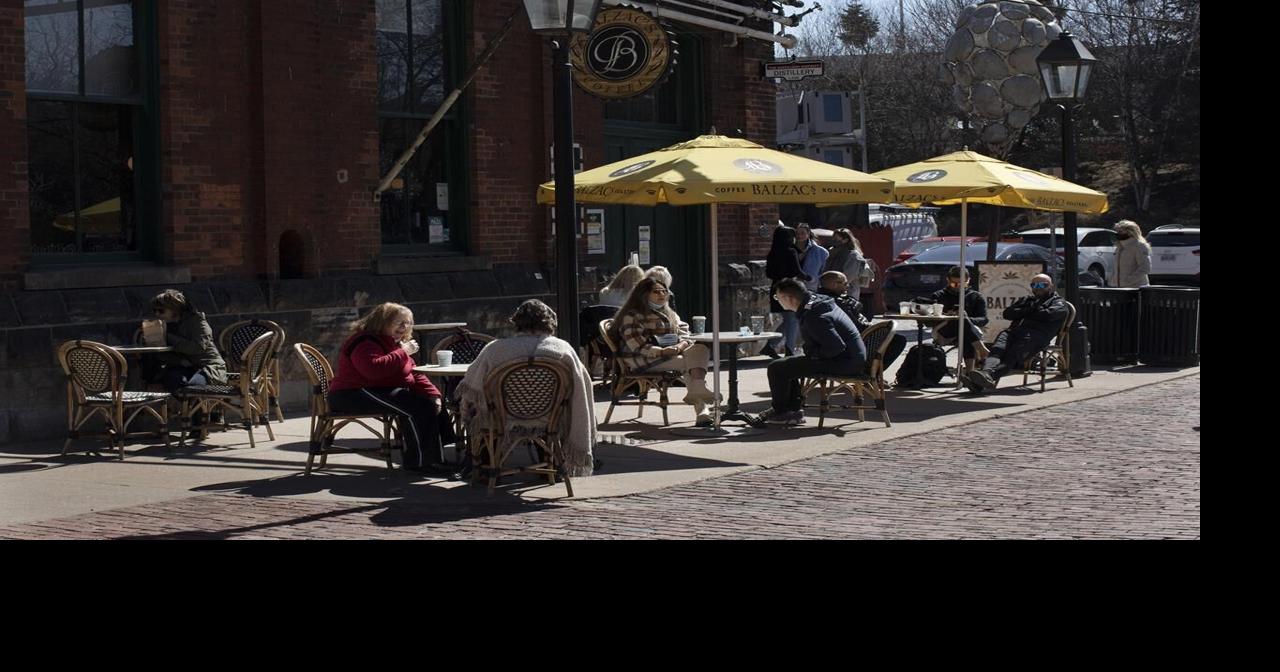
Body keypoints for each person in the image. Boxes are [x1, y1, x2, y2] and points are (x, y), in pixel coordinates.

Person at [455, 300, 596, 477]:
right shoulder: (563, 349)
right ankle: (549, 468)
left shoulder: (495, 350)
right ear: (550, 322)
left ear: (517, 322)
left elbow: (472, 384)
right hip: (548, 417)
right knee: (552, 409)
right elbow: (582, 384)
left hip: (503, 418)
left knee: (479, 413)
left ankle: (487, 469)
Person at [327, 302, 455, 476]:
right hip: (351, 394)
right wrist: (403, 352)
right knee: (417, 407)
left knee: (429, 402)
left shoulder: (394, 343)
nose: (404, 327)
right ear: (382, 322)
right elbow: (373, 370)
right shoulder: (365, 341)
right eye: (399, 322)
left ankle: (435, 457)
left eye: (407, 323)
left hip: (376, 389)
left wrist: (433, 394)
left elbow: (413, 372)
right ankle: (421, 463)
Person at [751, 278, 867, 427]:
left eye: (777, 297)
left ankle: (782, 412)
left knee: (776, 368)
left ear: (789, 298)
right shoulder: (817, 301)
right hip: (851, 357)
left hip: (844, 362)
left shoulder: (814, 315)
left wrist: (812, 353)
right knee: (788, 364)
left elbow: (835, 348)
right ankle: (792, 410)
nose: (777, 301)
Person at [612, 277, 718, 426]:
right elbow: (636, 345)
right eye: (656, 291)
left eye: (664, 291)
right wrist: (662, 352)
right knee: (688, 363)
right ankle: (702, 409)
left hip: (672, 353)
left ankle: (698, 389)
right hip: (642, 358)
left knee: (700, 349)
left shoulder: (669, 313)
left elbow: (685, 333)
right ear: (644, 294)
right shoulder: (632, 316)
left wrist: (680, 346)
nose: (662, 295)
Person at [964, 274, 1070, 393]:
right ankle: (984, 376)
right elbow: (1008, 313)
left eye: (1042, 285)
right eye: (1034, 285)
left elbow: (1047, 315)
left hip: (1035, 336)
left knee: (1012, 356)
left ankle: (985, 378)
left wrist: (1023, 312)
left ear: (1051, 286)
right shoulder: (1027, 300)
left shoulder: (1058, 303)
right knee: (997, 350)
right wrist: (1031, 309)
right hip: (1013, 332)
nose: (1038, 288)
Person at [818, 271, 906, 371]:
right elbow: (857, 326)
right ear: (834, 284)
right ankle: (871, 372)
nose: (848, 286)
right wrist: (874, 327)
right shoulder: (838, 302)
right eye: (845, 283)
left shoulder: (819, 299)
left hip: (832, 344)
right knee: (898, 340)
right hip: (850, 344)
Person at [148, 289, 228, 393]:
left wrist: (168, 337)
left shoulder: (197, 322)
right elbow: (164, 354)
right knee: (171, 379)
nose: (157, 314)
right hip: (185, 367)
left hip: (209, 368)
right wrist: (153, 339)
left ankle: (195, 403)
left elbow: (197, 347)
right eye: (155, 311)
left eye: (161, 311)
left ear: (174, 309)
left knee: (195, 385)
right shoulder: (167, 325)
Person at [919, 266, 990, 362]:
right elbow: (928, 321)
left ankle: (970, 370)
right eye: (954, 284)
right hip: (944, 329)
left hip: (969, 330)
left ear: (968, 280)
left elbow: (984, 319)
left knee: (964, 327)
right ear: (948, 280)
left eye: (962, 284)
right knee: (962, 323)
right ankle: (980, 351)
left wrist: (967, 319)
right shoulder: (939, 296)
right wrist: (946, 316)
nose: (958, 287)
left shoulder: (975, 296)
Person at [761, 224, 807, 359]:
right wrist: (810, 277)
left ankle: (770, 346)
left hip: (776, 288)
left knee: (789, 319)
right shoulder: (790, 251)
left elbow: (769, 273)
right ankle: (789, 350)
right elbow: (796, 271)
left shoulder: (772, 253)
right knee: (793, 319)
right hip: (790, 288)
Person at [1113, 220, 1152, 288]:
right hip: (1120, 287)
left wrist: (1128, 281)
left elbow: (1145, 268)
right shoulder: (1119, 247)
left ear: (1130, 232)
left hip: (1136, 288)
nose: (1118, 233)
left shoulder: (1139, 246)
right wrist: (1112, 280)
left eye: (1120, 231)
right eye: (1117, 231)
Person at [795, 223, 829, 293]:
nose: (799, 235)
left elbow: (823, 271)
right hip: (790, 285)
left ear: (808, 234)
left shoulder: (821, 252)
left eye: (802, 233)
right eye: (797, 233)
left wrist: (813, 279)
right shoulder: (789, 248)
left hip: (810, 287)